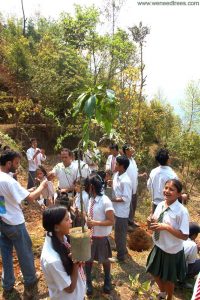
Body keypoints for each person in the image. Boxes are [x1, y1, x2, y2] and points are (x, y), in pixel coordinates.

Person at [0, 150, 48, 299]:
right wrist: (43, 185)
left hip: (3, 222)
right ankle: (30, 280)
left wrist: (26, 191)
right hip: (15, 223)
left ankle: (7, 284)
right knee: (25, 253)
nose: (18, 166)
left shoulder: (3, 179)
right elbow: (31, 199)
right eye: (16, 163)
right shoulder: (8, 181)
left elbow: (4, 198)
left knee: (6, 254)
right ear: (8, 164)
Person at [146, 179, 189, 300]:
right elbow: (153, 226)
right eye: (166, 188)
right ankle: (162, 292)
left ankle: (169, 297)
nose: (167, 191)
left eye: (171, 189)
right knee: (154, 271)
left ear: (179, 194)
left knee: (169, 278)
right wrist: (150, 222)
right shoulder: (160, 204)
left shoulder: (182, 211)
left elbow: (185, 236)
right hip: (159, 245)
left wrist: (166, 227)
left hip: (171, 251)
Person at [41, 206, 86, 300]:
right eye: (67, 219)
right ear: (56, 227)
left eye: (69, 217)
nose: (71, 221)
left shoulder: (62, 238)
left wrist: (83, 249)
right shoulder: (52, 260)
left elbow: (78, 265)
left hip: (79, 293)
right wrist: (75, 263)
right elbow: (69, 289)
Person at [85, 174, 115, 295]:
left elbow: (111, 220)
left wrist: (95, 223)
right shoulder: (91, 199)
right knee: (88, 260)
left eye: (87, 186)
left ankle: (107, 280)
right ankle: (88, 282)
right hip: (91, 236)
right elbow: (90, 215)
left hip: (101, 237)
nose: (85, 188)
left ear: (91, 186)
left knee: (105, 260)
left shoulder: (105, 201)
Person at [112, 155, 132, 262]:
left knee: (121, 233)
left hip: (122, 212)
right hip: (116, 210)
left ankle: (120, 256)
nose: (114, 165)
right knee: (117, 231)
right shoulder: (116, 175)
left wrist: (113, 200)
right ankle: (120, 248)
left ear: (122, 166)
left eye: (116, 164)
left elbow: (126, 198)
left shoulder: (126, 181)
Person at [147, 148, 178, 213]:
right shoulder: (172, 175)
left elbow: (149, 186)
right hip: (167, 205)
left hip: (155, 204)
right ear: (168, 160)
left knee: (154, 222)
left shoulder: (153, 172)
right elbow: (176, 192)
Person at [122, 144, 138, 227]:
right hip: (127, 187)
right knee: (127, 205)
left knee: (133, 204)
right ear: (126, 151)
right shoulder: (124, 161)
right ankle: (127, 223)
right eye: (131, 148)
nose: (133, 149)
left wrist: (141, 175)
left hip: (134, 186)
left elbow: (135, 172)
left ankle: (131, 220)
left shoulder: (133, 160)